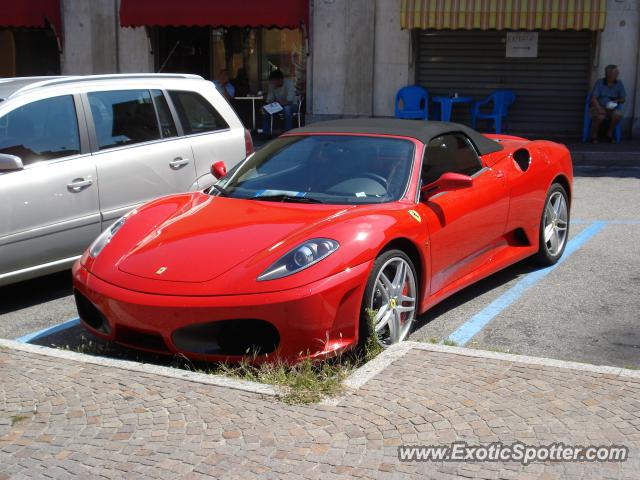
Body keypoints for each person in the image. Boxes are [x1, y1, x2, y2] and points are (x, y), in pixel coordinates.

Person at [589, 65, 626, 142]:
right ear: (608, 74)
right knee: (600, 117)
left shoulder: (619, 84)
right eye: (615, 73)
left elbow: (623, 99)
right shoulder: (600, 83)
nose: (617, 74)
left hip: (612, 108)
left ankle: (609, 133)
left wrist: (617, 101)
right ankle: (594, 135)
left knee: (618, 115)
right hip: (598, 107)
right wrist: (599, 109)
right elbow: (594, 98)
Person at [261, 69, 296, 137]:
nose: (273, 83)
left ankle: (288, 132)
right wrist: (267, 106)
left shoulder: (289, 84)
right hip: (278, 106)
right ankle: (266, 133)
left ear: (280, 79)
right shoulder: (272, 85)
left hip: (291, 105)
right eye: (272, 81)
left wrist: (277, 104)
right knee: (265, 110)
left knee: (287, 109)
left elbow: (289, 100)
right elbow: (270, 99)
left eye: (274, 81)